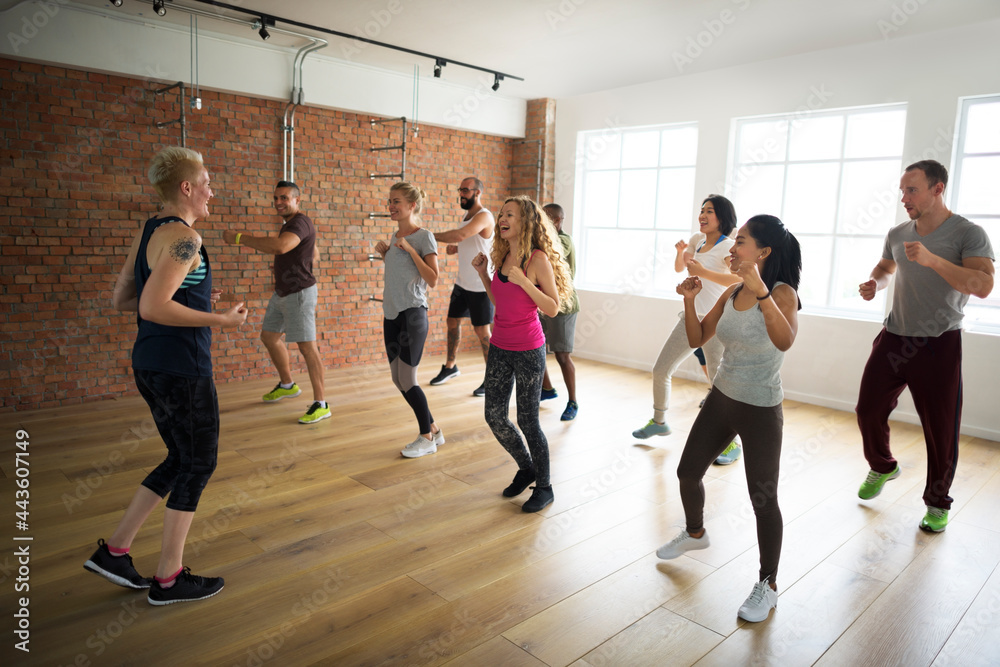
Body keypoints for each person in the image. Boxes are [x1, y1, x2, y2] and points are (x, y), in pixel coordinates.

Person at [86, 146, 247, 605]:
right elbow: (151, 305)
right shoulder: (185, 239)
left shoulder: (150, 230)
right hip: (182, 367)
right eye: (208, 182)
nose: (212, 191)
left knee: (179, 458)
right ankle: (169, 579)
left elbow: (123, 299)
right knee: (198, 463)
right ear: (187, 187)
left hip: (150, 363)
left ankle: (115, 551)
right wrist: (220, 319)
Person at [656, 214, 801, 624]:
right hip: (722, 397)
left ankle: (768, 585)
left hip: (760, 407)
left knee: (763, 499)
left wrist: (761, 294)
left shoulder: (783, 293)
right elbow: (699, 337)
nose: (733, 249)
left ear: (764, 252)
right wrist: (688, 299)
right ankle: (696, 533)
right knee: (687, 472)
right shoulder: (732, 291)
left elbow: (785, 340)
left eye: (740, 242)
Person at [856, 160, 994, 533]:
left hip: (939, 343)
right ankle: (883, 466)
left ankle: (937, 503)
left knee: (940, 429)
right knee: (867, 409)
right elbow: (886, 268)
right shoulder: (898, 232)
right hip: (895, 335)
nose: (904, 198)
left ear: (938, 189)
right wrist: (875, 284)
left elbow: (982, 285)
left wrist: (933, 260)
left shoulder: (968, 233)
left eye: (911, 190)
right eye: (902, 190)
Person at [472, 196, 574, 513]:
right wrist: (484, 276)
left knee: (528, 420)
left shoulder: (537, 260)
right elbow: (500, 299)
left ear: (525, 222)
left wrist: (524, 281)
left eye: (509, 215)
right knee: (495, 416)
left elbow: (553, 307)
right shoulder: (503, 256)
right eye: (501, 214)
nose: (502, 219)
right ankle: (526, 467)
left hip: (529, 349)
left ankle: (544, 487)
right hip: (500, 346)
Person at [632, 195, 743, 465]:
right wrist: (687, 265)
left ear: (723, 217)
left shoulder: (729, 246)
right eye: (701, 210)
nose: (703, 215)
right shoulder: (698, 240)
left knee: (718, 385)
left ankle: (732, 443)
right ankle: (659, 420)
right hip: (691, 316)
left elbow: (738, 279)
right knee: (661, 369)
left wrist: (704, 273)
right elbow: (682, 266)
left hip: (717, 321)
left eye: (710, 211)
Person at [223, 181, 328, 424]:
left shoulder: (299, 222)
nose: (279, 203)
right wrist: (294, 263)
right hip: (282, 293)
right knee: (269, 337)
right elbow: (315, 254)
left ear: (296, 200)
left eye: (284, 198)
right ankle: (288, 384)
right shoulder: (292, 225)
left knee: (307, 348)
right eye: (276, 198)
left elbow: (281, 247)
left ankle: (321, 403)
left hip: (299, 293)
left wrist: (239, 237)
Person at [375, 182, 445, 458]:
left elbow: (433, 279)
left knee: (409, 378)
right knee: (397, 378)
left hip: (413, 313)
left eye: (397, 202)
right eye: (390, 201)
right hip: (391, 313)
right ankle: (435, 430)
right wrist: (386, 255)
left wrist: (411, 250)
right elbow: (401, 274)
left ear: (412, 205)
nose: (391, 206)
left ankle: (426, 438)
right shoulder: (395, 237)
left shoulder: (423, 236)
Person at [429, 177, 495, 396]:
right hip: (462, 284)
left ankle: (492, 378)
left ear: (478, 192)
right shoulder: (467, 216)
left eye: (466, 190)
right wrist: (458, 249)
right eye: (460, 190)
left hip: (481, 285)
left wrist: (429, 236)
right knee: (452, 322)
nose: (462, 194)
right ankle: (450, 367)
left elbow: (461, 235)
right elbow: (476, 241)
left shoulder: (484, 216)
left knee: (482, 332)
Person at [538, 203, 580, 421]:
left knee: (562, 356)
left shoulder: (564, 241)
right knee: (536, 348)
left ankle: (573, 402)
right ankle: (546, 388)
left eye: (542, 218)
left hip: (564, 307)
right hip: (543, 303)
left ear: (555, 221)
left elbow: (549, 252)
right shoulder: (542, 241)